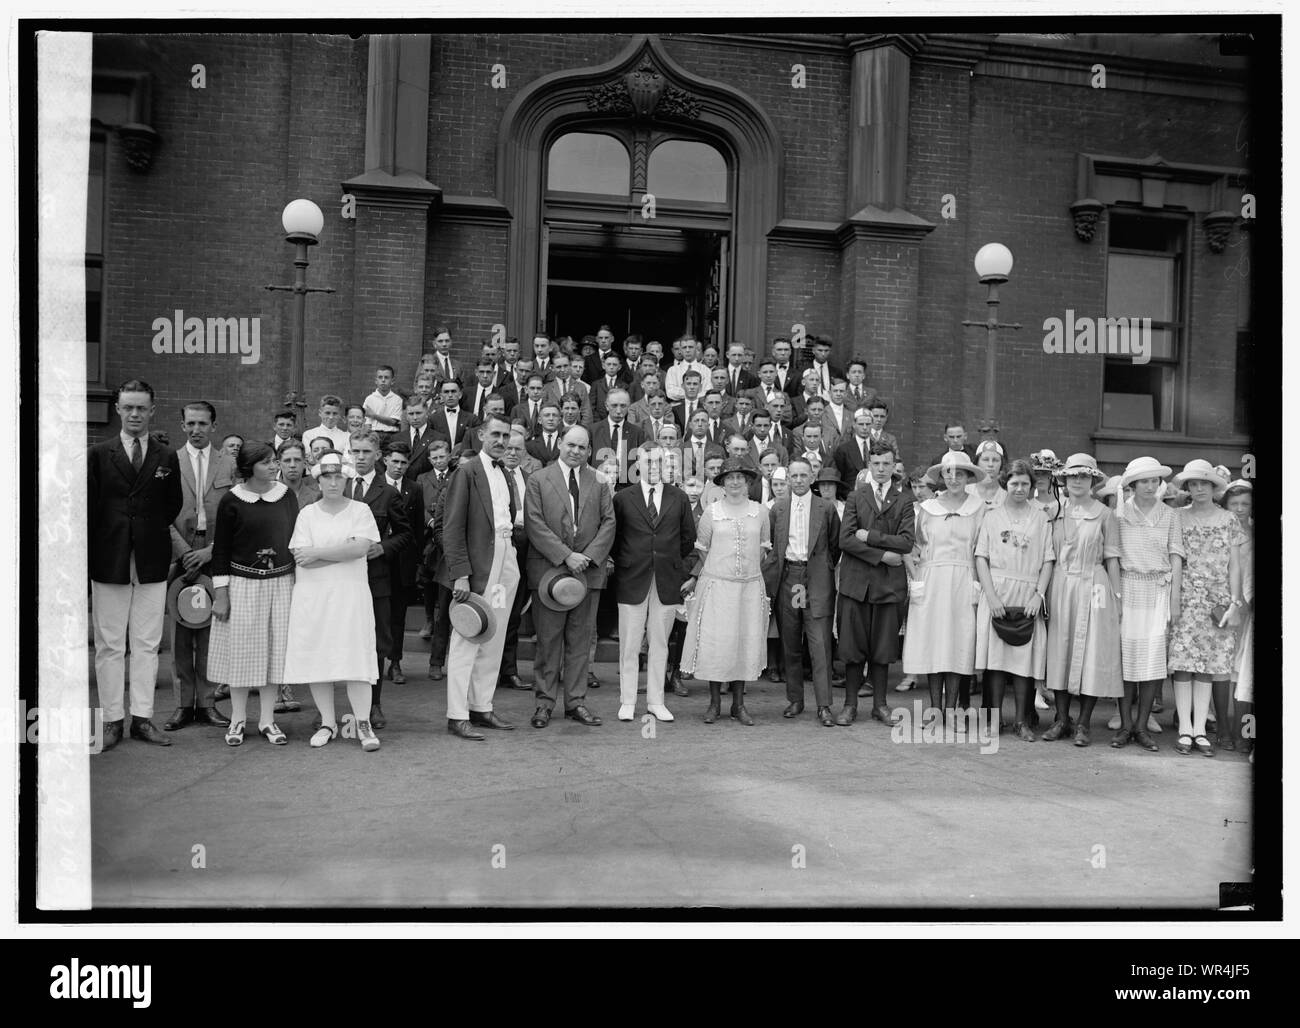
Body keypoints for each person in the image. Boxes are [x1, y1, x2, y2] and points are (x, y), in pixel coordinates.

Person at [89, 379, 185, 750]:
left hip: (151, 558)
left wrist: (145, 530)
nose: (134, 414)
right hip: (109, 557)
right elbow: (89, 507)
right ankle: (112, 720)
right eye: (128, 407)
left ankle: (142, 719)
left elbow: (172, 504)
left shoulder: (166, 457)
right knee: (110, 645)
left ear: (152, 410)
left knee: (147, 643)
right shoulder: (99, 453)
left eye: (141, 408)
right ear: (117, 409)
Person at [282, 451, 382, 751]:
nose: (334, 482)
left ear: (347, 478)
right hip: (314, 597)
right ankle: (328, 722)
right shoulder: (307, 514)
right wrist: (341, 551)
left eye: (339, 476)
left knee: (357, 657)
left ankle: (363, 723)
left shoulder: (361, 510)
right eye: (328, 477)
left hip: (351, 596)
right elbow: (302, 558)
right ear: (319, 480)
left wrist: (319, 552)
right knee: (319, 657)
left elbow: (361, 547)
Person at [207, 441, 300, 746]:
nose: (275, 466)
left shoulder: (286, 496)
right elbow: (220, 550)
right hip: (242, 584)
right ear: (249, 468)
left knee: (274, 654)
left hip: (281, 584)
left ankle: (267, 720)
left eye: (275, 461)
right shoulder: (231, 501)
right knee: (242, 656)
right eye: (267, 462)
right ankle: (237, 720)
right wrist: (221, 595)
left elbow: (296, 541)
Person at [523, 425, 616, 728]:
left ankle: (576, 702)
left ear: (589, 450)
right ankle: (544, 703)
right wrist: (566, 555)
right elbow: (534, 524)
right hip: (550, 571)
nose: (575, 451)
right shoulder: (538, 480)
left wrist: (586, 557)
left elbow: (608, 523)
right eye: (571, 445)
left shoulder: (599, 482)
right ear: (560, 444)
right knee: (548, 642)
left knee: (579, 641)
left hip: (587, 573)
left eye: (582, 447)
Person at [436, 414, 521, 740]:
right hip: (477, 565)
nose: (501, 441)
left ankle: (481, 706)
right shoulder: (467, 472)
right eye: (495, 434)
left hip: (504, 561)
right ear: (482, 435)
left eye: (505, 435)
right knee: (468, 637)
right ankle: (457, 714)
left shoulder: (507, 474)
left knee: (493, 634)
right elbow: (453, 527)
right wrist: (460, 575)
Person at [681, 456, 772, 725]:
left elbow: (764, 549)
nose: (735, 482)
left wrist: (747, 571)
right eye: (730, 478)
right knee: (717, 643)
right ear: (722, 483)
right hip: (718, 587)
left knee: (744, 642)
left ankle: (739, 704)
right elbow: (702, 549)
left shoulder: (760, 512)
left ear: (747, 483)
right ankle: (714, 703)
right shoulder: (712, 512)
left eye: (740, 478)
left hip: (748, 587)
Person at [1042, 454, 1123, 747]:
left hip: (1094, 584)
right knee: (1060, 650)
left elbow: (1112, 558)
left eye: (1084, 476)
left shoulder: (1104, 514)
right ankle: (1062, 719)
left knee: (1091, 652)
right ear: (1063, 479)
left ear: (1092, 480)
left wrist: (1117, 598)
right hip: (1061, 584)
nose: (1077, 481)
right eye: (1073, 476)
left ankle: (1084, 723)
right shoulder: (1053, 511)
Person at [611, 446, 697, 722]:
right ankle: (627, 701)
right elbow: (615, 538)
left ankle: (656, 701)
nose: (654, 466)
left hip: (666, 579)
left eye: (660, 461)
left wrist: (670, 564)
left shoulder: (679, 497)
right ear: (638, 464)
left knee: (660, 643)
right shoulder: (624, 498)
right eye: (648, 461)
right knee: (630, 643)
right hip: (632, 578)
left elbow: (688, 539)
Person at [1167, 460, 1246, 757]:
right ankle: (1185, 728)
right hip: (1186, 594)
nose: (1199, 489)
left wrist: (1235, 602)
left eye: (1204, 484)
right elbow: (1173, 558)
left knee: (1209, 665)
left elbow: (1235, 565)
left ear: (1214, 488)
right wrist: (1174, 599)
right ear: (1187, 488)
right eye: (1193, 484)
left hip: (1218, 599)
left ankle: (1201, 728)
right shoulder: (1177, 517)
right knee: (1184, 662)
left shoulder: (1228, 519)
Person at [163, 400, 234, 732]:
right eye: (190, 423)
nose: (196, 430)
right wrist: (183, 551)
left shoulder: (229, 463)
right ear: (182, 425)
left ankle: (206, 703)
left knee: (210, 631)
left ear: (214, 426)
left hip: (214, 553)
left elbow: (239, 516)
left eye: (202, 424)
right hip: (179, 554)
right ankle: (182, 704)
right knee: (180, 632)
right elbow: (160, 513)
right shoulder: (167, 461)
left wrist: (211, 552)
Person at [974, 459, 1055, 742]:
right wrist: (992, 596)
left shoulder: (1042, 518)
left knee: (1024, 661)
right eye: (1014, 483)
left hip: (1027, 593)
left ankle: (1022, 721)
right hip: (997, 591)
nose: (1019, 489)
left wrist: (1039, 594)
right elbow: (981, 557)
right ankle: (994, 721)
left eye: (1025, 484)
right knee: (996, 660)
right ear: (1005, 484)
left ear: (1032, 486)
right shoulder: (992, 516)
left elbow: (1047, 559)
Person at [902, 450, 987, 716]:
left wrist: (977, 582)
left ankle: (952, 710)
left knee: (957, 644)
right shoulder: (927, 510)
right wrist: (915, 578)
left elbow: (984, 548)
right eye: (948, 473)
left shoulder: (978, 508)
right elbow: (910, 546)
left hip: (964, 579)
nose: (953, 478)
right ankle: (935, 710)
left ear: (968, 477)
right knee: (933, 644)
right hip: (931, 580)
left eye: (959, 473)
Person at [837, 441, 914, 725]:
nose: (881, 469)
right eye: (876, 463)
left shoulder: (904, 499)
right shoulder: (857, 496)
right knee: (853, 647)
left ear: (894, 466)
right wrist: (883, 554)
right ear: (869, 465)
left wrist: (868, 537)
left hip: (888, 586)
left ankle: (881, 705)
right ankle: (850, 705)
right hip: (856, 585)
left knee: (882, 648)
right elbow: (845, 539)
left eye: (886, 464)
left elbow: (906, 542)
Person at [1111, 456, 1183, 752]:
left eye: (1154, 480)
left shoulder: (1170, 515)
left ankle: (1142, 726)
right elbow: (1112, 556)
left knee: (1153, 660)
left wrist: (1175, 599)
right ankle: (1126, 725)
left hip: (1158, 590)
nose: (1150, 486)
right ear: (1132, 484)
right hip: (1128, 587)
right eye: (1144, 481)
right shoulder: (1118, 514)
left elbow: (1176, 556)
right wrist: (1116, 597)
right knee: (1126, 660)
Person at [345, 431, 412, 729]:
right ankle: (342, 707)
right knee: (343, 641)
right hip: (341, 578)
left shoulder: (388, 492)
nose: (360, 457)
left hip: (375, 579)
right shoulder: (339, 487)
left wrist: (382, 548)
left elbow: (405, 534)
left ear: (377, 456)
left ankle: (374, 705)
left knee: (376, 643)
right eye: (355, 451)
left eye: (366, 452)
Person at [770, 459, 841, 726]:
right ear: (788, 479)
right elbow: (776, 548)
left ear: (812, 478)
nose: (798, 480)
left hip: (816, 577)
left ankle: (824, 705)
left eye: (803, 475)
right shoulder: (778, 509)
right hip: (790, 575)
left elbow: (834, 546)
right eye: (794, 476)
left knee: (819, 642)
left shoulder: (826, 509)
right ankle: (796, 699)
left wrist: (822, 569)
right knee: (790, 641)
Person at [381, 441, 424, 687]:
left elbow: (417, 529)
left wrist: (416, 563)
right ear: (385, 460)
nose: (399, 467)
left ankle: (395, 662)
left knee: (398, 615)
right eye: (395, 461)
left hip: (402, 562)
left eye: (404, 463)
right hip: (375, 558)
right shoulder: (373, 485)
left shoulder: (414, 489)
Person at [416, 438, 454, 675]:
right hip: (431, 542)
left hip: (453, 545)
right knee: (432, 591)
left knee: (447, 605)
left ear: (449, 456)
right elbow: (418, 504)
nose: (439, 461)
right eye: (435, 457)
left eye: (443, 456)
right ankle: (436, 663)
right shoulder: (422, 479)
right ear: (430, 460)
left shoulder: (458, 475)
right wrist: (430, 521)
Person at [1222, 480, 1254, 758]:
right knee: (1222, 663)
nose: (1240, 509)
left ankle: (1240, 728)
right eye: (1235, 504)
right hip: (1225, 600)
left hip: (1248, 602)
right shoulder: (1222, 527)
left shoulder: (1254, 531)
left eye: (1245, 504)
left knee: (1242, 667)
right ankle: (1220, 722)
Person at [363, 365, 402, 441]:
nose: (383, 380)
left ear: (392, 381)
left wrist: (373, 415)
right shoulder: (369, 399)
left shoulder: (397, 400)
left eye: (386, 377)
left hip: (392, 435)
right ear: (376, 380)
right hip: (374, 434)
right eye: (380, 377)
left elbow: (393, 422)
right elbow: (367, 422)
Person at [279, 440, 321, 510]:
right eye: (287, 460)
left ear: (305, 463)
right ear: (279, 464)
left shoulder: (317, 497)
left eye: (297, 460)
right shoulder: (267, 495)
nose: (292, 465)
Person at [969, 439, 1007, 509]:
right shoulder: (965, 491)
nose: (990, 464)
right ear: (977, 463)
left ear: (1001, 465)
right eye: (985, 459)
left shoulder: (1008, 497)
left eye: (995, 460)